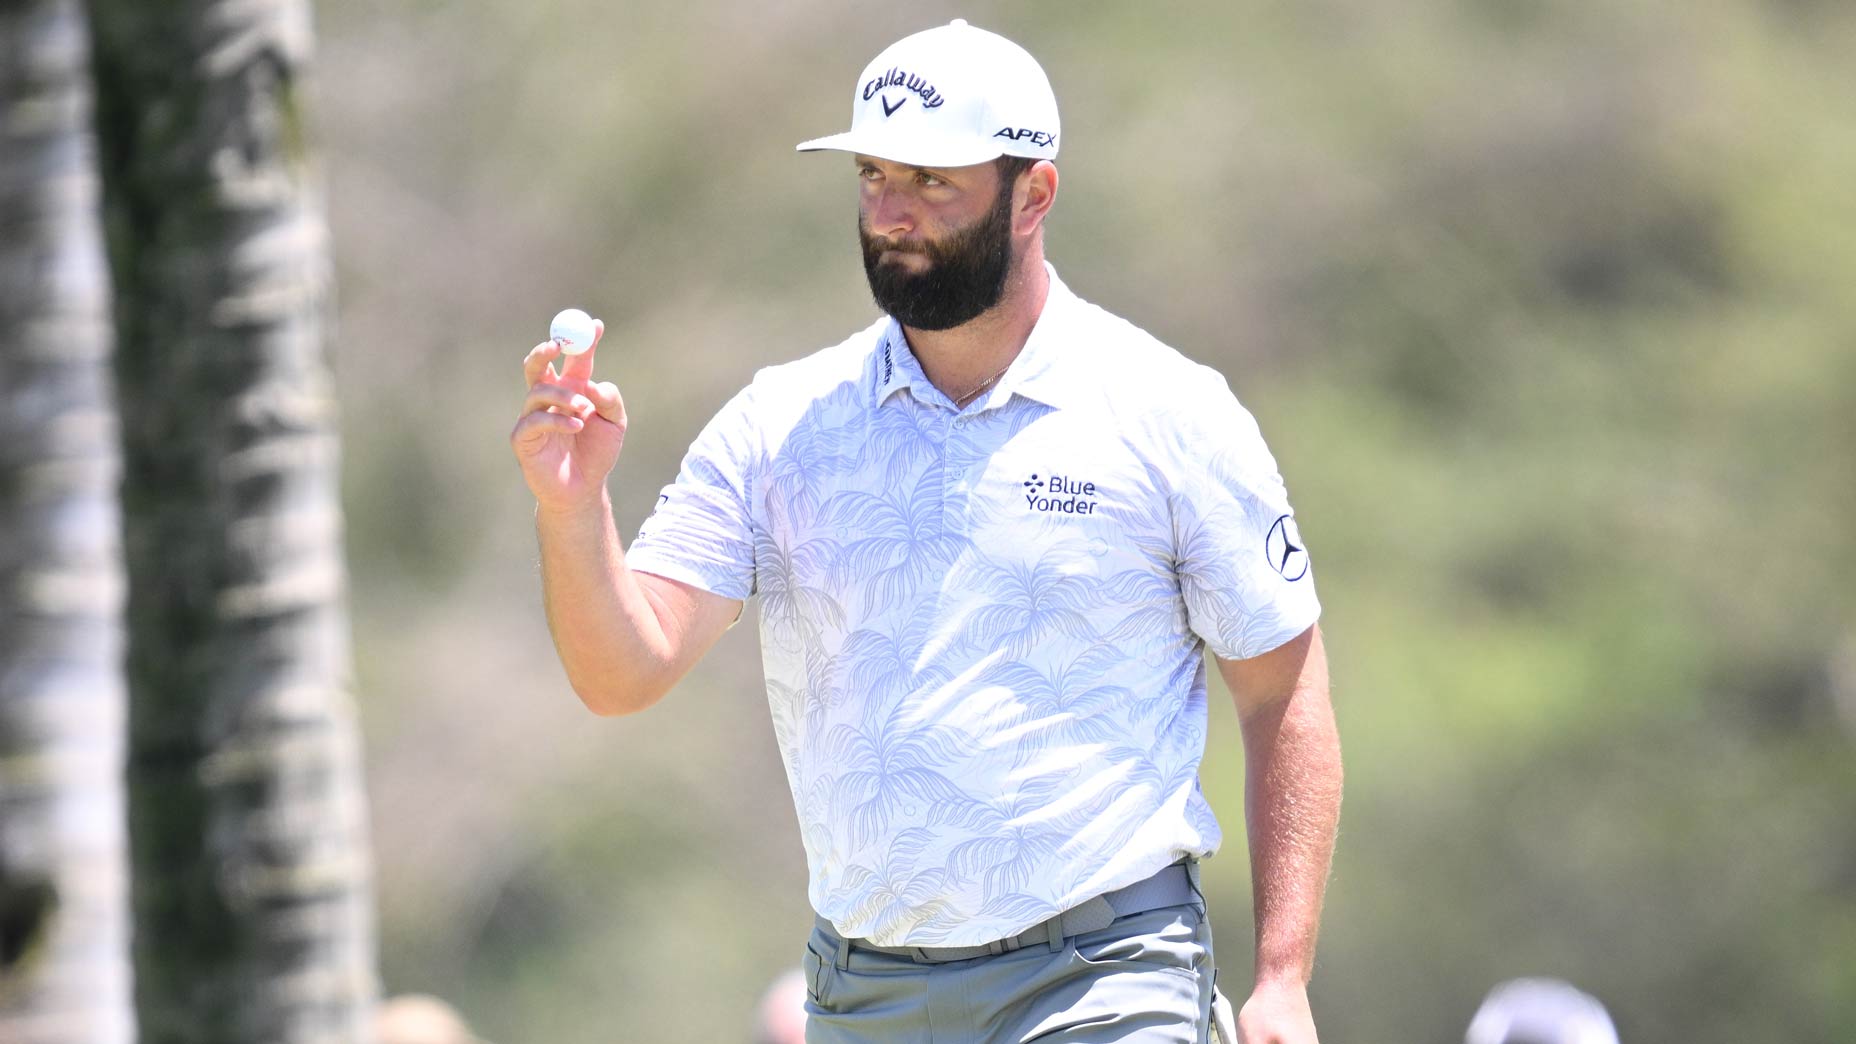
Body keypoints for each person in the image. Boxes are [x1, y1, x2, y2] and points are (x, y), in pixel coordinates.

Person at [510, 19, 1342, 1044]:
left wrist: (1281, 975)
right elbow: (621, 672)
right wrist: (569, 507)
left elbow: (1282, 687)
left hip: (1103, 970)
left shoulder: (1169, 411)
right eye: (871, 175)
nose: (891, 213)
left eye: (933, 182)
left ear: (1033, 192)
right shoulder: (781, 425)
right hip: (866, 992)